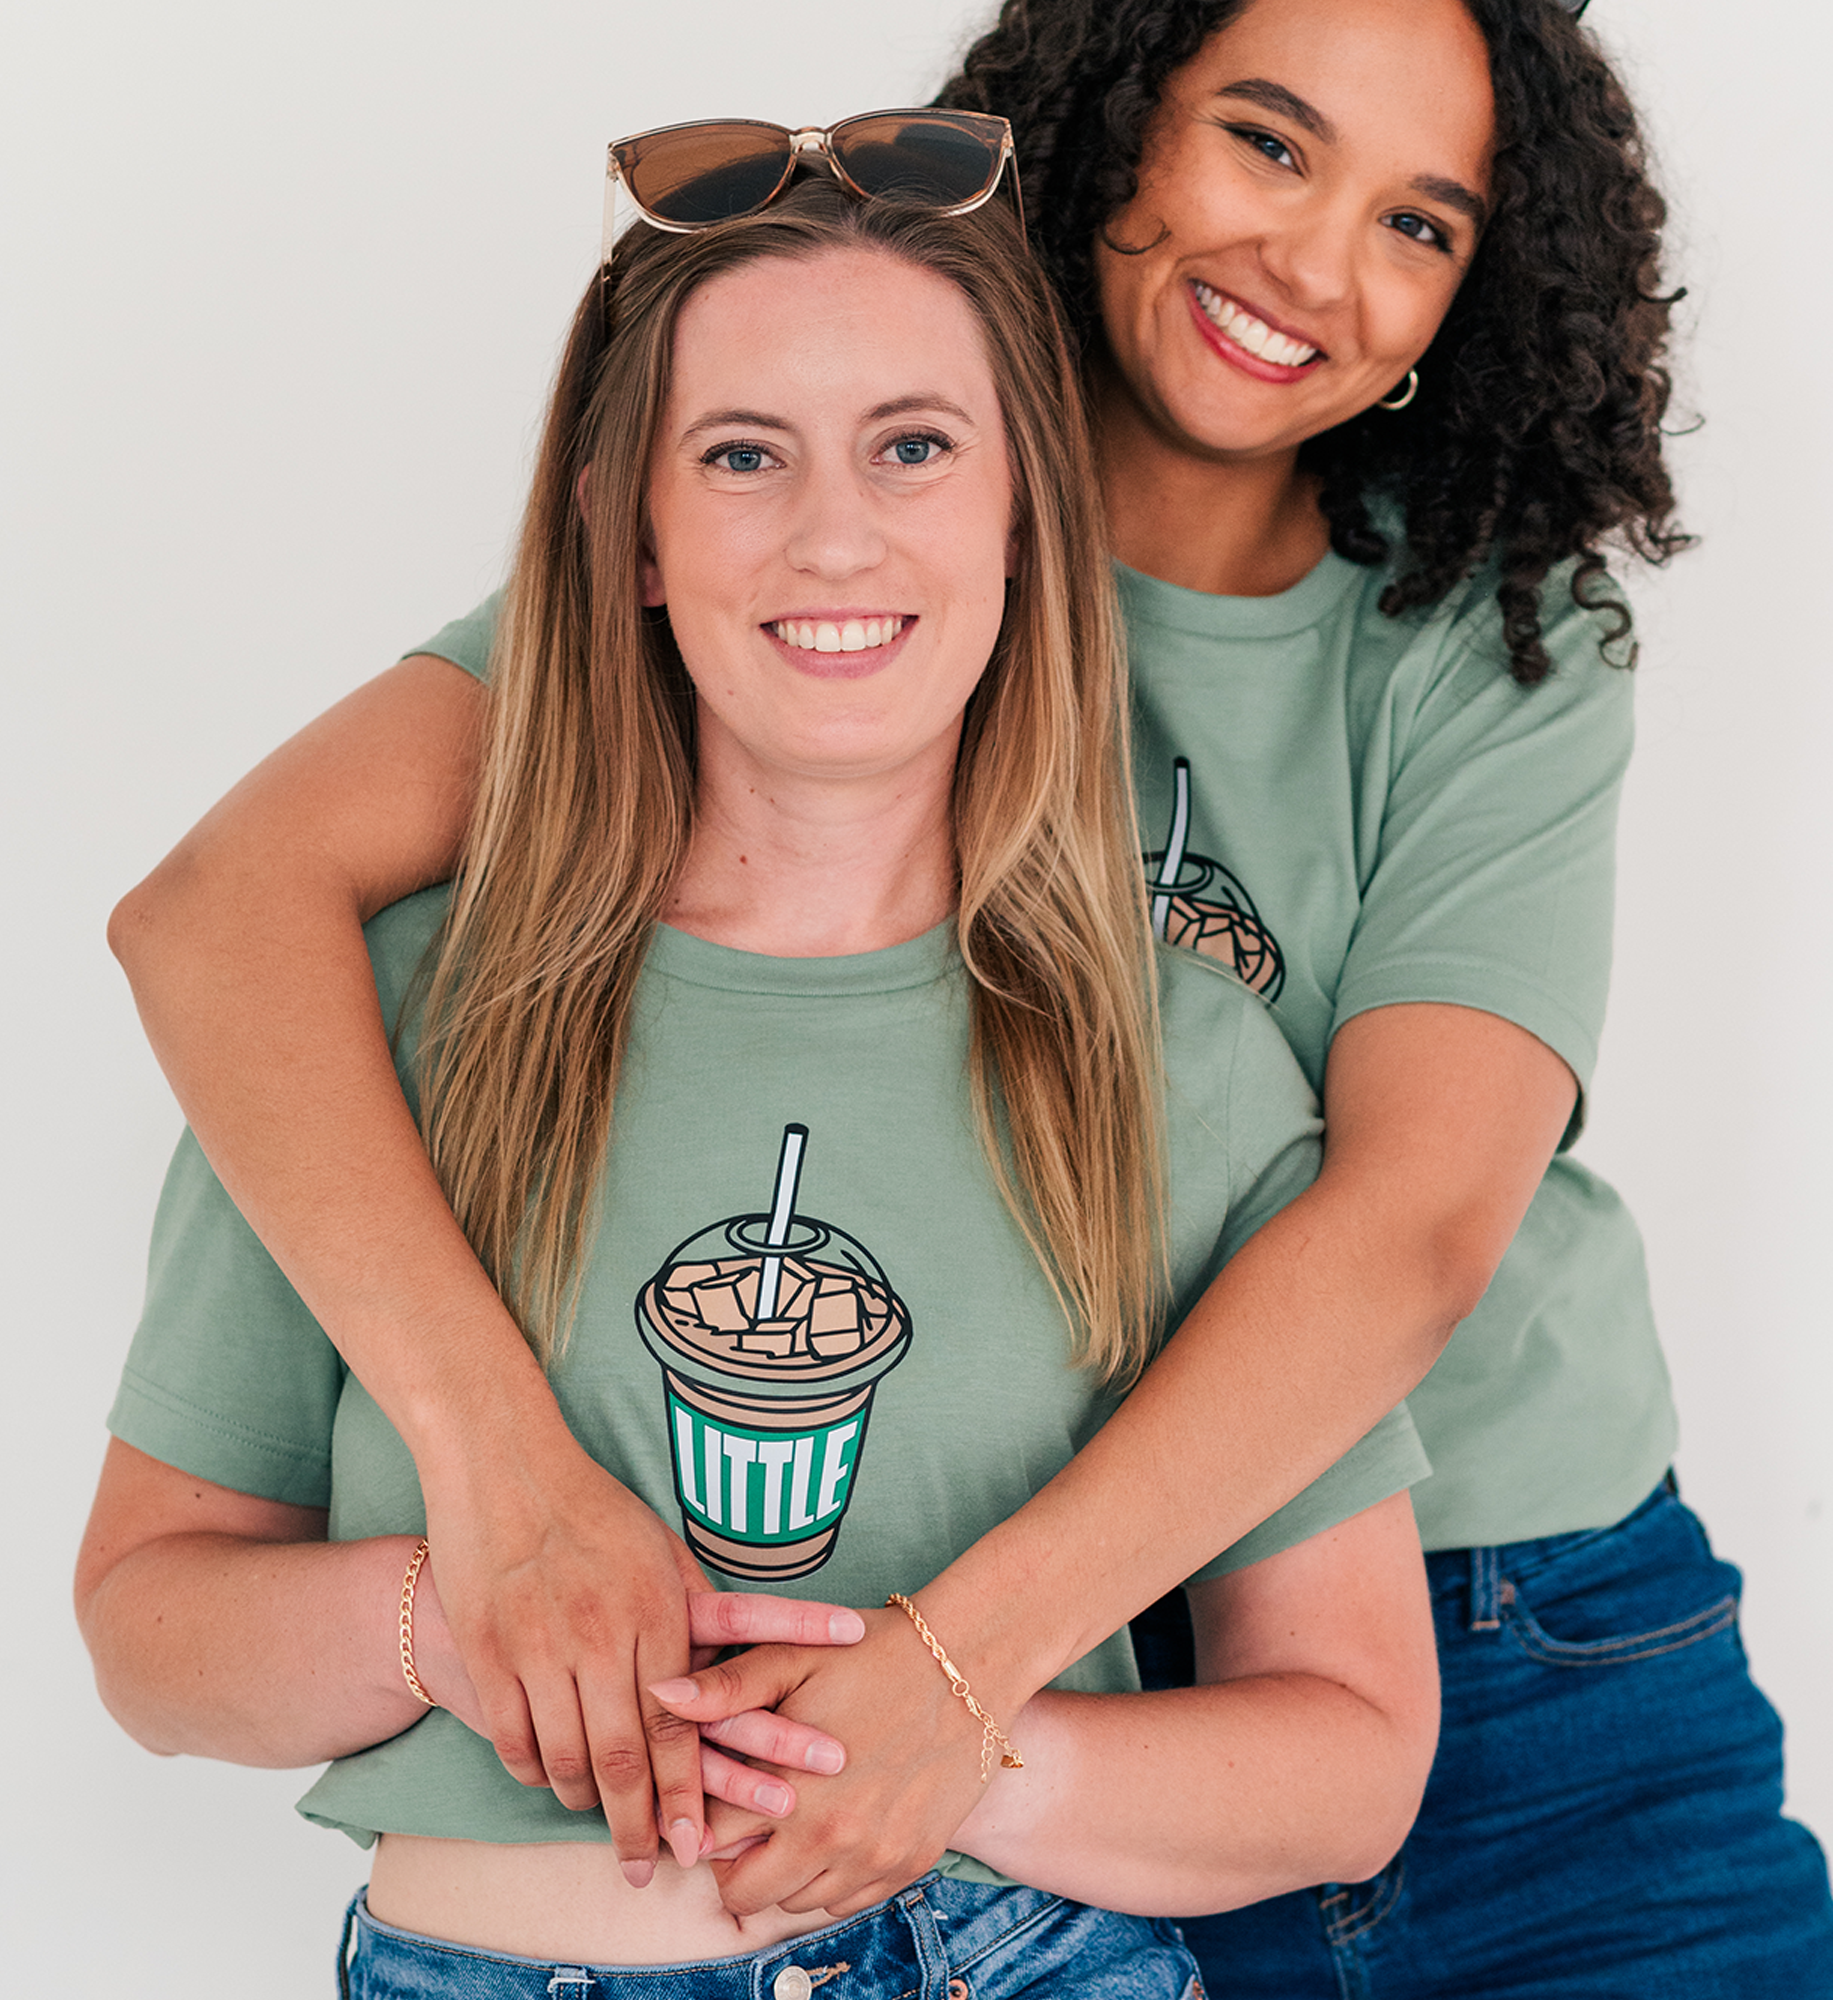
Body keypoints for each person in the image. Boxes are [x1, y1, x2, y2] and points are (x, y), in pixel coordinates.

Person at [104, 0, 1833, 1993]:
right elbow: (221, 906)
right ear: (1110, 126)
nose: (1310, 263)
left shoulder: (1482, 641)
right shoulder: (816, 553)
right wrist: (494, 1489)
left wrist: (964, 1665)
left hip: (1485, 1626)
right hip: (1026, 1699)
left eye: (1418, 224)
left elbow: (1415, 1230)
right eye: (1267, 145)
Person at [78, 155, 1442, 1994]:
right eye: (740, 455)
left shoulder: (1183, 1069)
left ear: (1029, 516)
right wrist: (444, 1616)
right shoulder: (379, 1019)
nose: (834, 536)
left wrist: (965, 1745)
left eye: (913, 447)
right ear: (625, 534)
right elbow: (147, 1631)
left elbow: (1351, 1759)